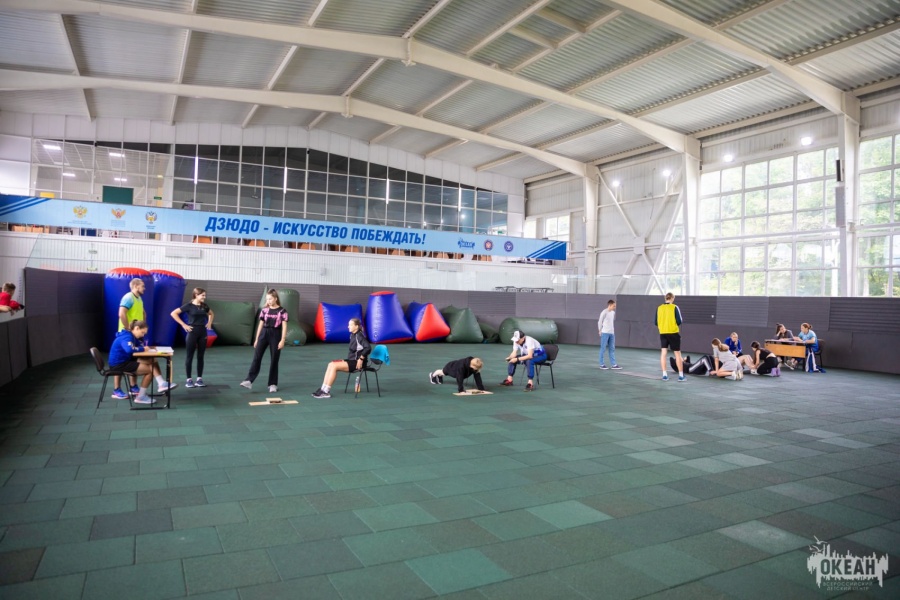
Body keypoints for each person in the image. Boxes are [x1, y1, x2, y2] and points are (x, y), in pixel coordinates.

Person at [108, 319, 174, 404]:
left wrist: (141, 346)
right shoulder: (127, 337)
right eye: (142, 332)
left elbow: (138, 345)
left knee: (152, 360)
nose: (143, 335)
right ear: (137, 328)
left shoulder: (132, 336)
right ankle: (141, 397)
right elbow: (129, 349)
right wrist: (143, 349)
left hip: (125, 361)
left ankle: (161, 383)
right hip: (119, 364)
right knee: (150, 371)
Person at [240, 289, 288, 393]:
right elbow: (260, 325)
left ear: (275, 299)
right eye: (267, 299)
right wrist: (257, 339)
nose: (268, 301)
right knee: (257, 357)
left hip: (276, 334)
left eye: (270, 299)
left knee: (274, 359)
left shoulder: (282, 311)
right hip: (264, 334)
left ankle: (272, 384)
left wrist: (282, 340)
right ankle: (249, 380)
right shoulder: (264, 310)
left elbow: (284, 326)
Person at [311, 318, 371, 399]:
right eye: (348, 325)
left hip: (358, 363)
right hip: (352, 360)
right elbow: (355, 352)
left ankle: (326, 391)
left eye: (350, 325)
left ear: (356, 326)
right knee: (331, 364)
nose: (348, 326)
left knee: (334, 366)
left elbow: (368, 348)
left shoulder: (359, 336)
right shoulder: (352, 335)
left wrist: (361, 359)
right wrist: (346, 360)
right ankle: (323, 389)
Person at [170, 287, 215, 389]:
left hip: (203, 332)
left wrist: (209, 323)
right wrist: (183, 325)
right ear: (196, 295)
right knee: (189, 356)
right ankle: (189, 380)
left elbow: (211, 314)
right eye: (202, 295)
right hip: (192, 332)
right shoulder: (189, 306)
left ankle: (199, 379)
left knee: (200, 356)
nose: (204, 297)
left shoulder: (204, 306)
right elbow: (173, 313)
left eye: (205, 295)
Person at [111, 278, 147, 400]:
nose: (144, 288)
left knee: (134, 359)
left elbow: (143, 313)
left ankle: (133, 387)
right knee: (120, 360)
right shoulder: (128, 297)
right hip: (126, 334)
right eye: (142, 286)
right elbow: (121, 313)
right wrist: (128, 329)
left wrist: (143, 327)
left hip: (136, 333)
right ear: (136, 286)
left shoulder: (139, 298)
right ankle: (116, 390)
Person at [656, 292, 685, 381]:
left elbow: (656, 322)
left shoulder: (659, 308)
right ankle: (681, 376)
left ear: (665, 298)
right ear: (672, 298)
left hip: (663, 333)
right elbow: (679, 321)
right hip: (673, 333)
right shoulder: (674, 307)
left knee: (663, 353)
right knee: (677, 354)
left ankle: (664, 375)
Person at [597, 299, 621, 369]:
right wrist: (600, 330)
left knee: (612, 349)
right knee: (603, 348)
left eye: (615, 306)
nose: (615, 307)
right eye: (614, 306)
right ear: (610, 305)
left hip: (612, 333)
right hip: (605, 333)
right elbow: (600, 321)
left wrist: (612, 332)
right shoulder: (604, 312)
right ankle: (601, 364)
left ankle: (614, 365)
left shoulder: (613, 313)